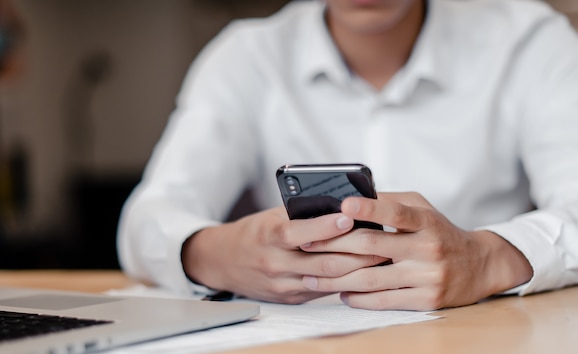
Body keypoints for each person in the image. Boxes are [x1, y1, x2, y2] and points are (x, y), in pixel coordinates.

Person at [117, 0, 578, 311]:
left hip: (487, 347)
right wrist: (216, 253)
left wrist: (487, 258)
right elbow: (147, 218)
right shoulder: (248, 55)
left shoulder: (529, 40)